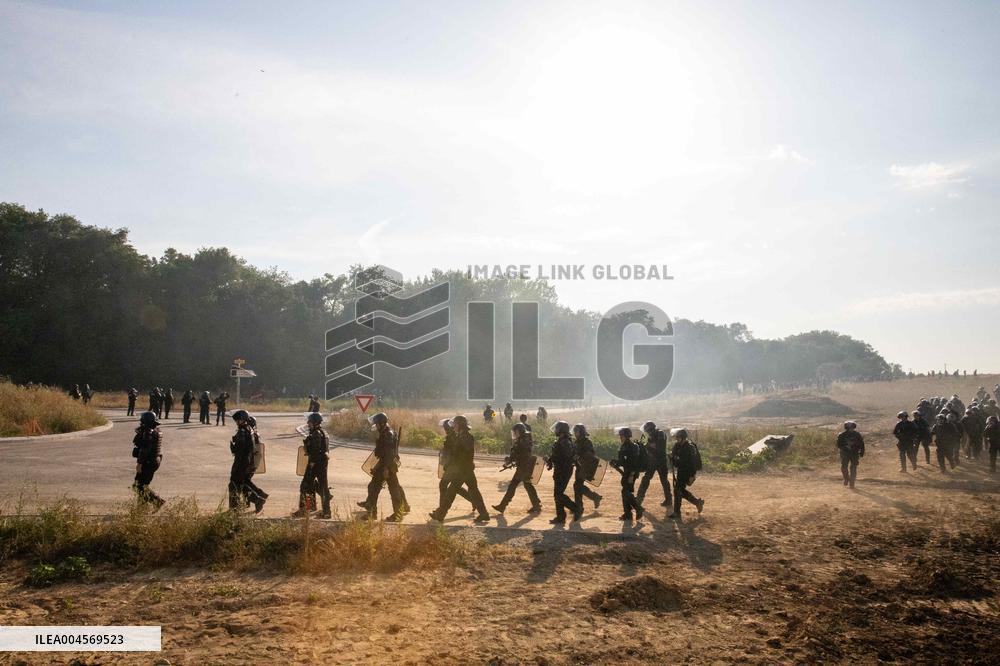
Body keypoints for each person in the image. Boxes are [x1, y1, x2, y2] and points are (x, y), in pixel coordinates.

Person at [431, 415, 489, 523]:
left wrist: (451, 464)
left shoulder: (466, 437)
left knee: (451, 492)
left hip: (463, 470)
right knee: (473, 491)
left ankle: (440, 514)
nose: (453, 427)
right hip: (466, 469)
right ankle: (484, 514)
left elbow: (462, 454)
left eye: (455, 424)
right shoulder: (461, 436)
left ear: (460, 425)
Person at [360, 412, 405, 522]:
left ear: (382, 423)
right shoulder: (387, 433)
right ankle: (398, 514)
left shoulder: (388, 435)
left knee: (375, 489)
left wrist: (385, 469)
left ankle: (372, 514)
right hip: (387, 465)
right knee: (393, 489)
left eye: (377, 424)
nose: (376, 426)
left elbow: (389, 454)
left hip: (386, 466)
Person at [493, 422, 542, 515]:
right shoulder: (525, 440)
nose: (514, 434)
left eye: (515, 432)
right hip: (524, 467)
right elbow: (520, 454)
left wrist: (509, 461)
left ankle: (502, 506)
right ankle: (536, 505)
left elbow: (517, 454)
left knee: (513, 486)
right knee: (527, 486)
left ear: (519, 431)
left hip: (523, 468)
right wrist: (512, 461)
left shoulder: (521, 442)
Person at [293, 412, 330, 518]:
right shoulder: (323, 432)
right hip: (322, 463)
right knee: (322, 487)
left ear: (315, 422)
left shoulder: (316, 434)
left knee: (305, 485)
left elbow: (315, 451)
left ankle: (305, 509)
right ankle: (325, 511)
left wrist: (311, 465)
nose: (308, 424)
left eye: (309, 422)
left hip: (315, 463)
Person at [228, 409, 266, 512]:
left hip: (242, 462)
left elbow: (241, 450)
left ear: (243, 420)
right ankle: (257, 498)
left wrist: (234, 448)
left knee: (234, 485)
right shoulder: (248, 430)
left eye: (238, 420)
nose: (237, 422)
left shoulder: (243, 432)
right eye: (236, 420)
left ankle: (256, 499)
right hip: (245, 461)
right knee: (240, 484)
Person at [434, 418, 472, 514]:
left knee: (444, 485)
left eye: (445, 427)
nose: (444, 429)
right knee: (455, 487)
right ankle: (474, 501)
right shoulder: (453, 435)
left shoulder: (454, 436)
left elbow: (454, 451)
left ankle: (441, 509)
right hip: (453, 465)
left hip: (453, 465)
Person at [547, 421, 580, 524]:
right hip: (560, 470)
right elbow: (557, 455)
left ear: (561, 430)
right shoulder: (562, 440)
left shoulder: (565, 442)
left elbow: (567, 458)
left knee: (558, 494)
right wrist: (550, 461)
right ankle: (560, 517)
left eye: (557, 428)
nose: (555, 430)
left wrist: (555, 461)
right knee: (557, 494)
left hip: (563, 471)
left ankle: (575, 508)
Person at [669, 428, 704, 520]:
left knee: (678, 490)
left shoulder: (689, 447)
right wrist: (672, 458)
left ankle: (677, 512)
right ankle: (697, 502)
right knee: (679, 490)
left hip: (688, 472)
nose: (676, 439)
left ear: (683, 438)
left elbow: (692, 463)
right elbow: (676, 460)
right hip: (681, 471)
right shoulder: (678, 445)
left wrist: (692, 475)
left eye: (678, 437)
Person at [131, 411, 165, 508]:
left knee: (138, 486)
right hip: (153, 461)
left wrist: (139, 463)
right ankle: (142, 507)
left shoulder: (148, 432)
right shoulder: (156, 430)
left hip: (148, 462)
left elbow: (145, 449)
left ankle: (157, 502)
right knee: (141, 485)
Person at [637, 420, 673, 508]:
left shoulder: (660, 434)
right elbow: (646, 446)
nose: (647, 433)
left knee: (664, 480)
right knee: (646, 479)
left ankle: (668, 499)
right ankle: (639, 499)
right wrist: (641, 445)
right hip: (652, 461)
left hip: (661, 461)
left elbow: (659, 449)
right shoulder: (650, 436)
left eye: (647, 431)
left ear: (651, 430)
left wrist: (647, 445)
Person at [611, 426, 643, 522]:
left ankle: (638, 509)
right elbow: (623, 461)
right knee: (625, 492)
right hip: (627, 472)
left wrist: (631, 475)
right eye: (620, 436)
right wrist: (615, 462)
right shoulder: (624, 446)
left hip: (632, 472)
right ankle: (628, 514)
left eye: (622, 436)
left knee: (625, 492)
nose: (620, 437)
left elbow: (634, 463)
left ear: (627, 436)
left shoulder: (633, 447)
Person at [571, 423, 602, 513]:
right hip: (579, 467)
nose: (575, 433)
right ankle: (593, 498)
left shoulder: (587, 442)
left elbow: (591, 455)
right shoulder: (576, 442)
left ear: (581, 432)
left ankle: (579, 506)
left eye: (577, 431)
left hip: (585, 467)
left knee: (577, 485)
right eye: (575, 431)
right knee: (578, 486)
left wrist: (580, 456)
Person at [244, 415, 269, 511]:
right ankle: (250, 500)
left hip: (251, 462)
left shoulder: (252, 434)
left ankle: (259, 496)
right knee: (246, 482)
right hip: (253, 462)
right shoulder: (254, 433)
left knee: (244, 482)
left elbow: (252, 450)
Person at [836, 421, 864, 488]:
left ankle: (852, 482)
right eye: (850, 427)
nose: (851, 429)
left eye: (852, 427)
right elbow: (838, 445)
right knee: (844, 467)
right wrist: (845, 447)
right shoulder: (842, 435)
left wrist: (862, 451)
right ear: (846, 428)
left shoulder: (857, 435)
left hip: (854, 453)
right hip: (845, 453)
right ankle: (846, 478)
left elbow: (861, 444)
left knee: (853, 468)